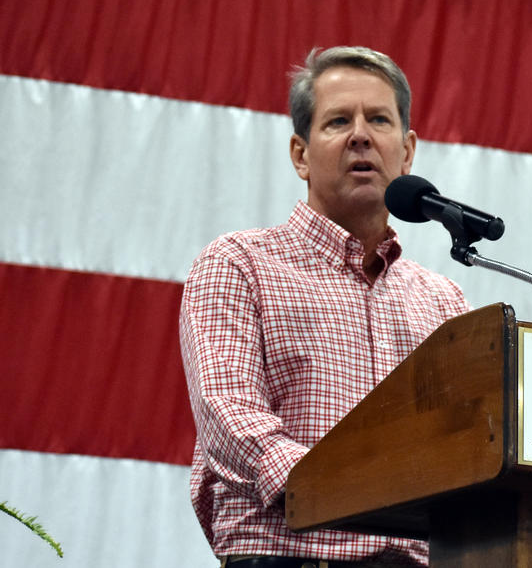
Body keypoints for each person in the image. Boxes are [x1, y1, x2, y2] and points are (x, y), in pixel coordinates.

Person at [179, 46, 471, 567]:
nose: (361, 134)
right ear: (300, 154)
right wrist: (348, 487)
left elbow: (462, 443)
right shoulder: (240, 263)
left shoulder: (443, 300)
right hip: (288, 555)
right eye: (338, 121)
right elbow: (231, 418)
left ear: (407, 153)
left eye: (378, 119)